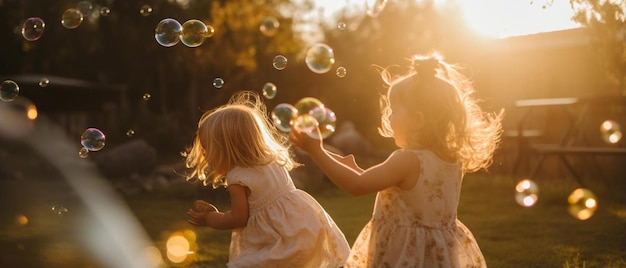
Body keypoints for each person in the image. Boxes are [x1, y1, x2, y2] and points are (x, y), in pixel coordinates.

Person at [290, 52, 503, 267]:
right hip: (440, 252)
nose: (389, 116)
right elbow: (374, 180)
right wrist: (345, 166)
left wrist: (316, 151)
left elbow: (357, 185)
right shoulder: (451, 159)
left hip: (405, 254)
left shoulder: (407, 160)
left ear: (418, 119)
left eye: (393, 110)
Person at [184, 91, 350, 267]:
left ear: (225, 147)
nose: (205, 154)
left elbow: (238, 218)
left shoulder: (237, 178)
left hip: (277, 241)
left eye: (207, 148)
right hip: (303, 228)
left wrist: (210, 218)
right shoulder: (272, 161)